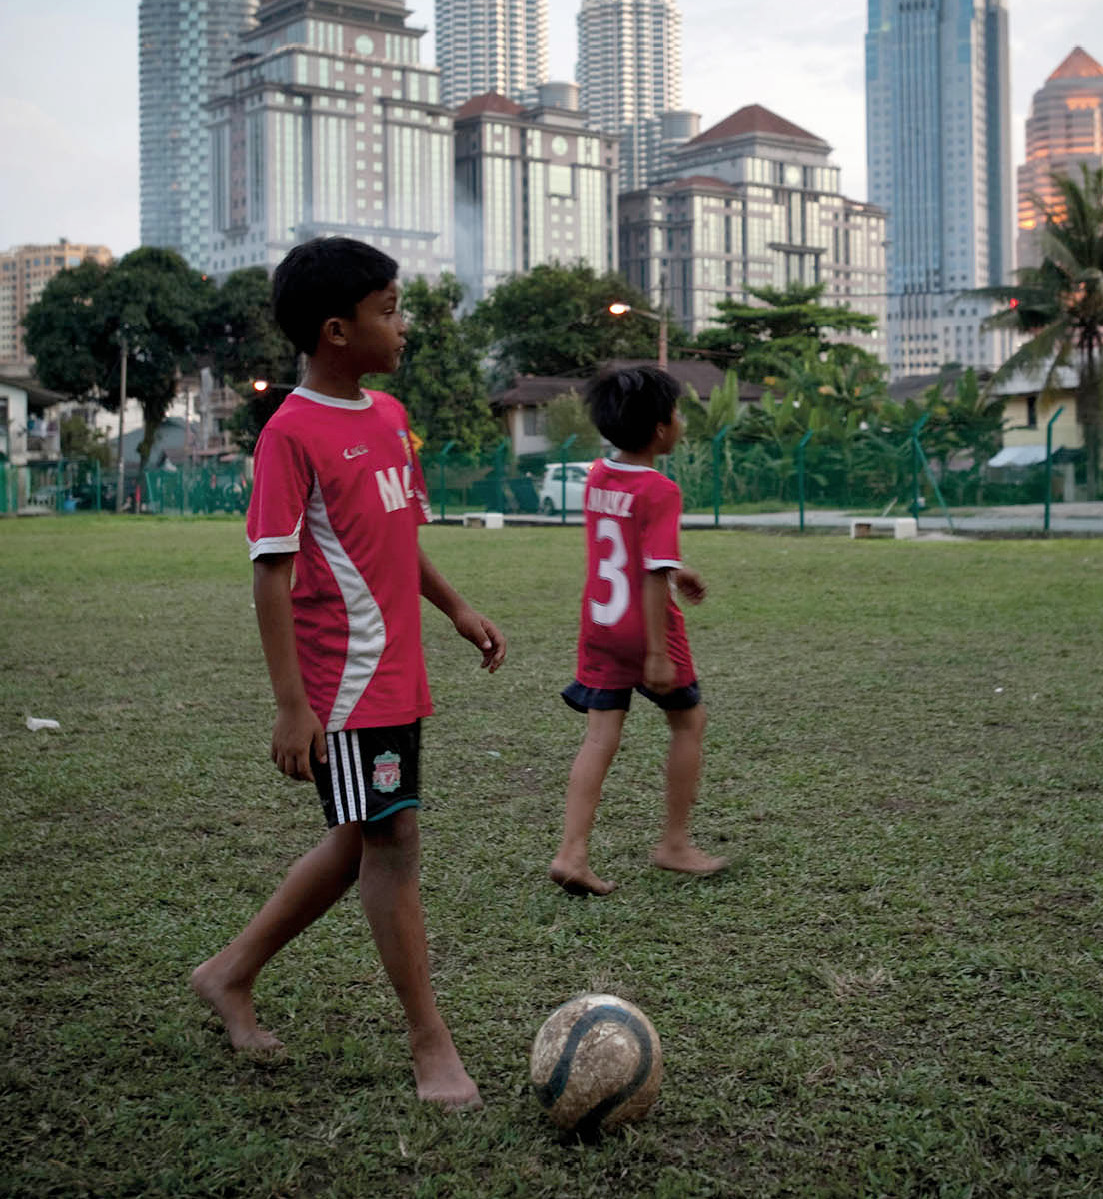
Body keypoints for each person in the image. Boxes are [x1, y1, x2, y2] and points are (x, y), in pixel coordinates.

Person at [192, 237, 506, 1111]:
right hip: (346, 682)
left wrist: (455, 607)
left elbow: (397, 534)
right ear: (338, 330)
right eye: (390, 309)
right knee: (390, 841)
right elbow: (271, 572)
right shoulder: (289, 433)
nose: (402, 325)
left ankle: (228, 972)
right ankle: (429, 1043)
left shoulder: (388, 414)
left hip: (395, 673)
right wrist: (292, 706)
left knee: (359, 834)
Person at [549, 364, 726, 897]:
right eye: (676, 414)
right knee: (688, 723)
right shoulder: (660, 489)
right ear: (659, 429)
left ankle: (571, 853)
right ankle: (674, 844)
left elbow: (628, 550)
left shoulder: (599, 476)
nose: (680, 423)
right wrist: (655, 652)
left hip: (599, 623)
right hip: (645, 629)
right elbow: (649, 574)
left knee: (600, 736)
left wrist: (676, 568)